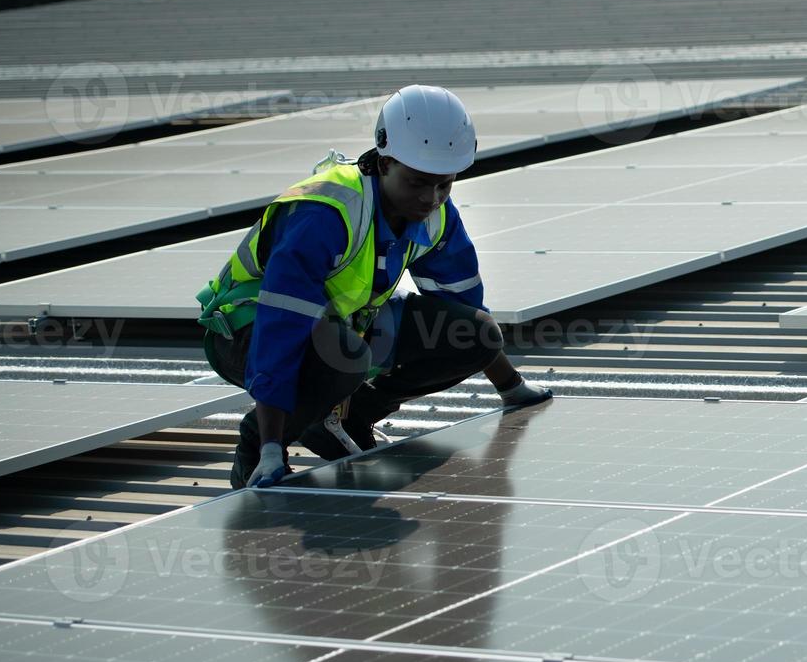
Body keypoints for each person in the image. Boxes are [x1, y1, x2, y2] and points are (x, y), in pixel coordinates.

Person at [196, 85, 551, 489]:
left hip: (338, 331)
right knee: (345, 354)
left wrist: (511, 386)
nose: (431, 198)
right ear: (384, 163)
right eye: (418, 183)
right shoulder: (326, 214)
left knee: (473, 332)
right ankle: (253, 452)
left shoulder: (436, 216)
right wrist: (272, 446)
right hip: (247, 331)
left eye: (444, 184)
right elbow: (282, 324)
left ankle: (346, 417)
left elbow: (465, 312)